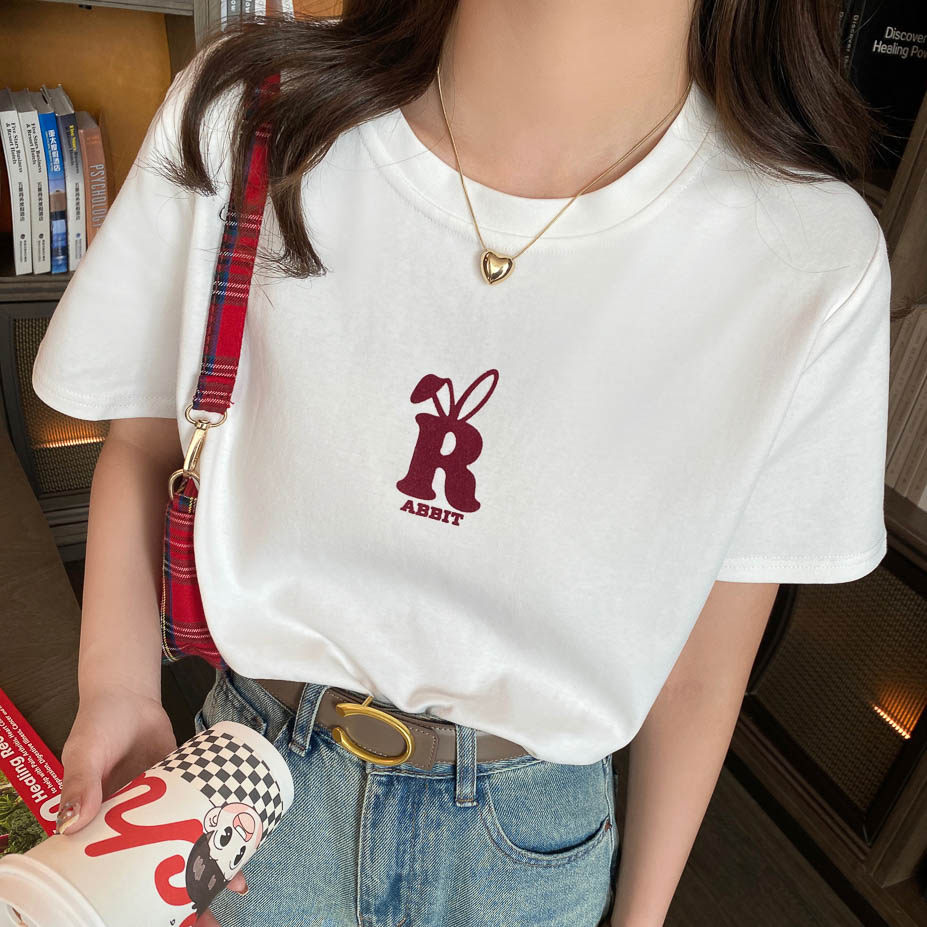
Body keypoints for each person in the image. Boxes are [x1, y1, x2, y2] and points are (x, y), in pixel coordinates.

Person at [32, 0, 891, 925]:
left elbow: (700, 668)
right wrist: (117, 689)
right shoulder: (250, 112)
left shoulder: (807, 256)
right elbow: (149, 442)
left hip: (529, 853)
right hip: (249, 793)